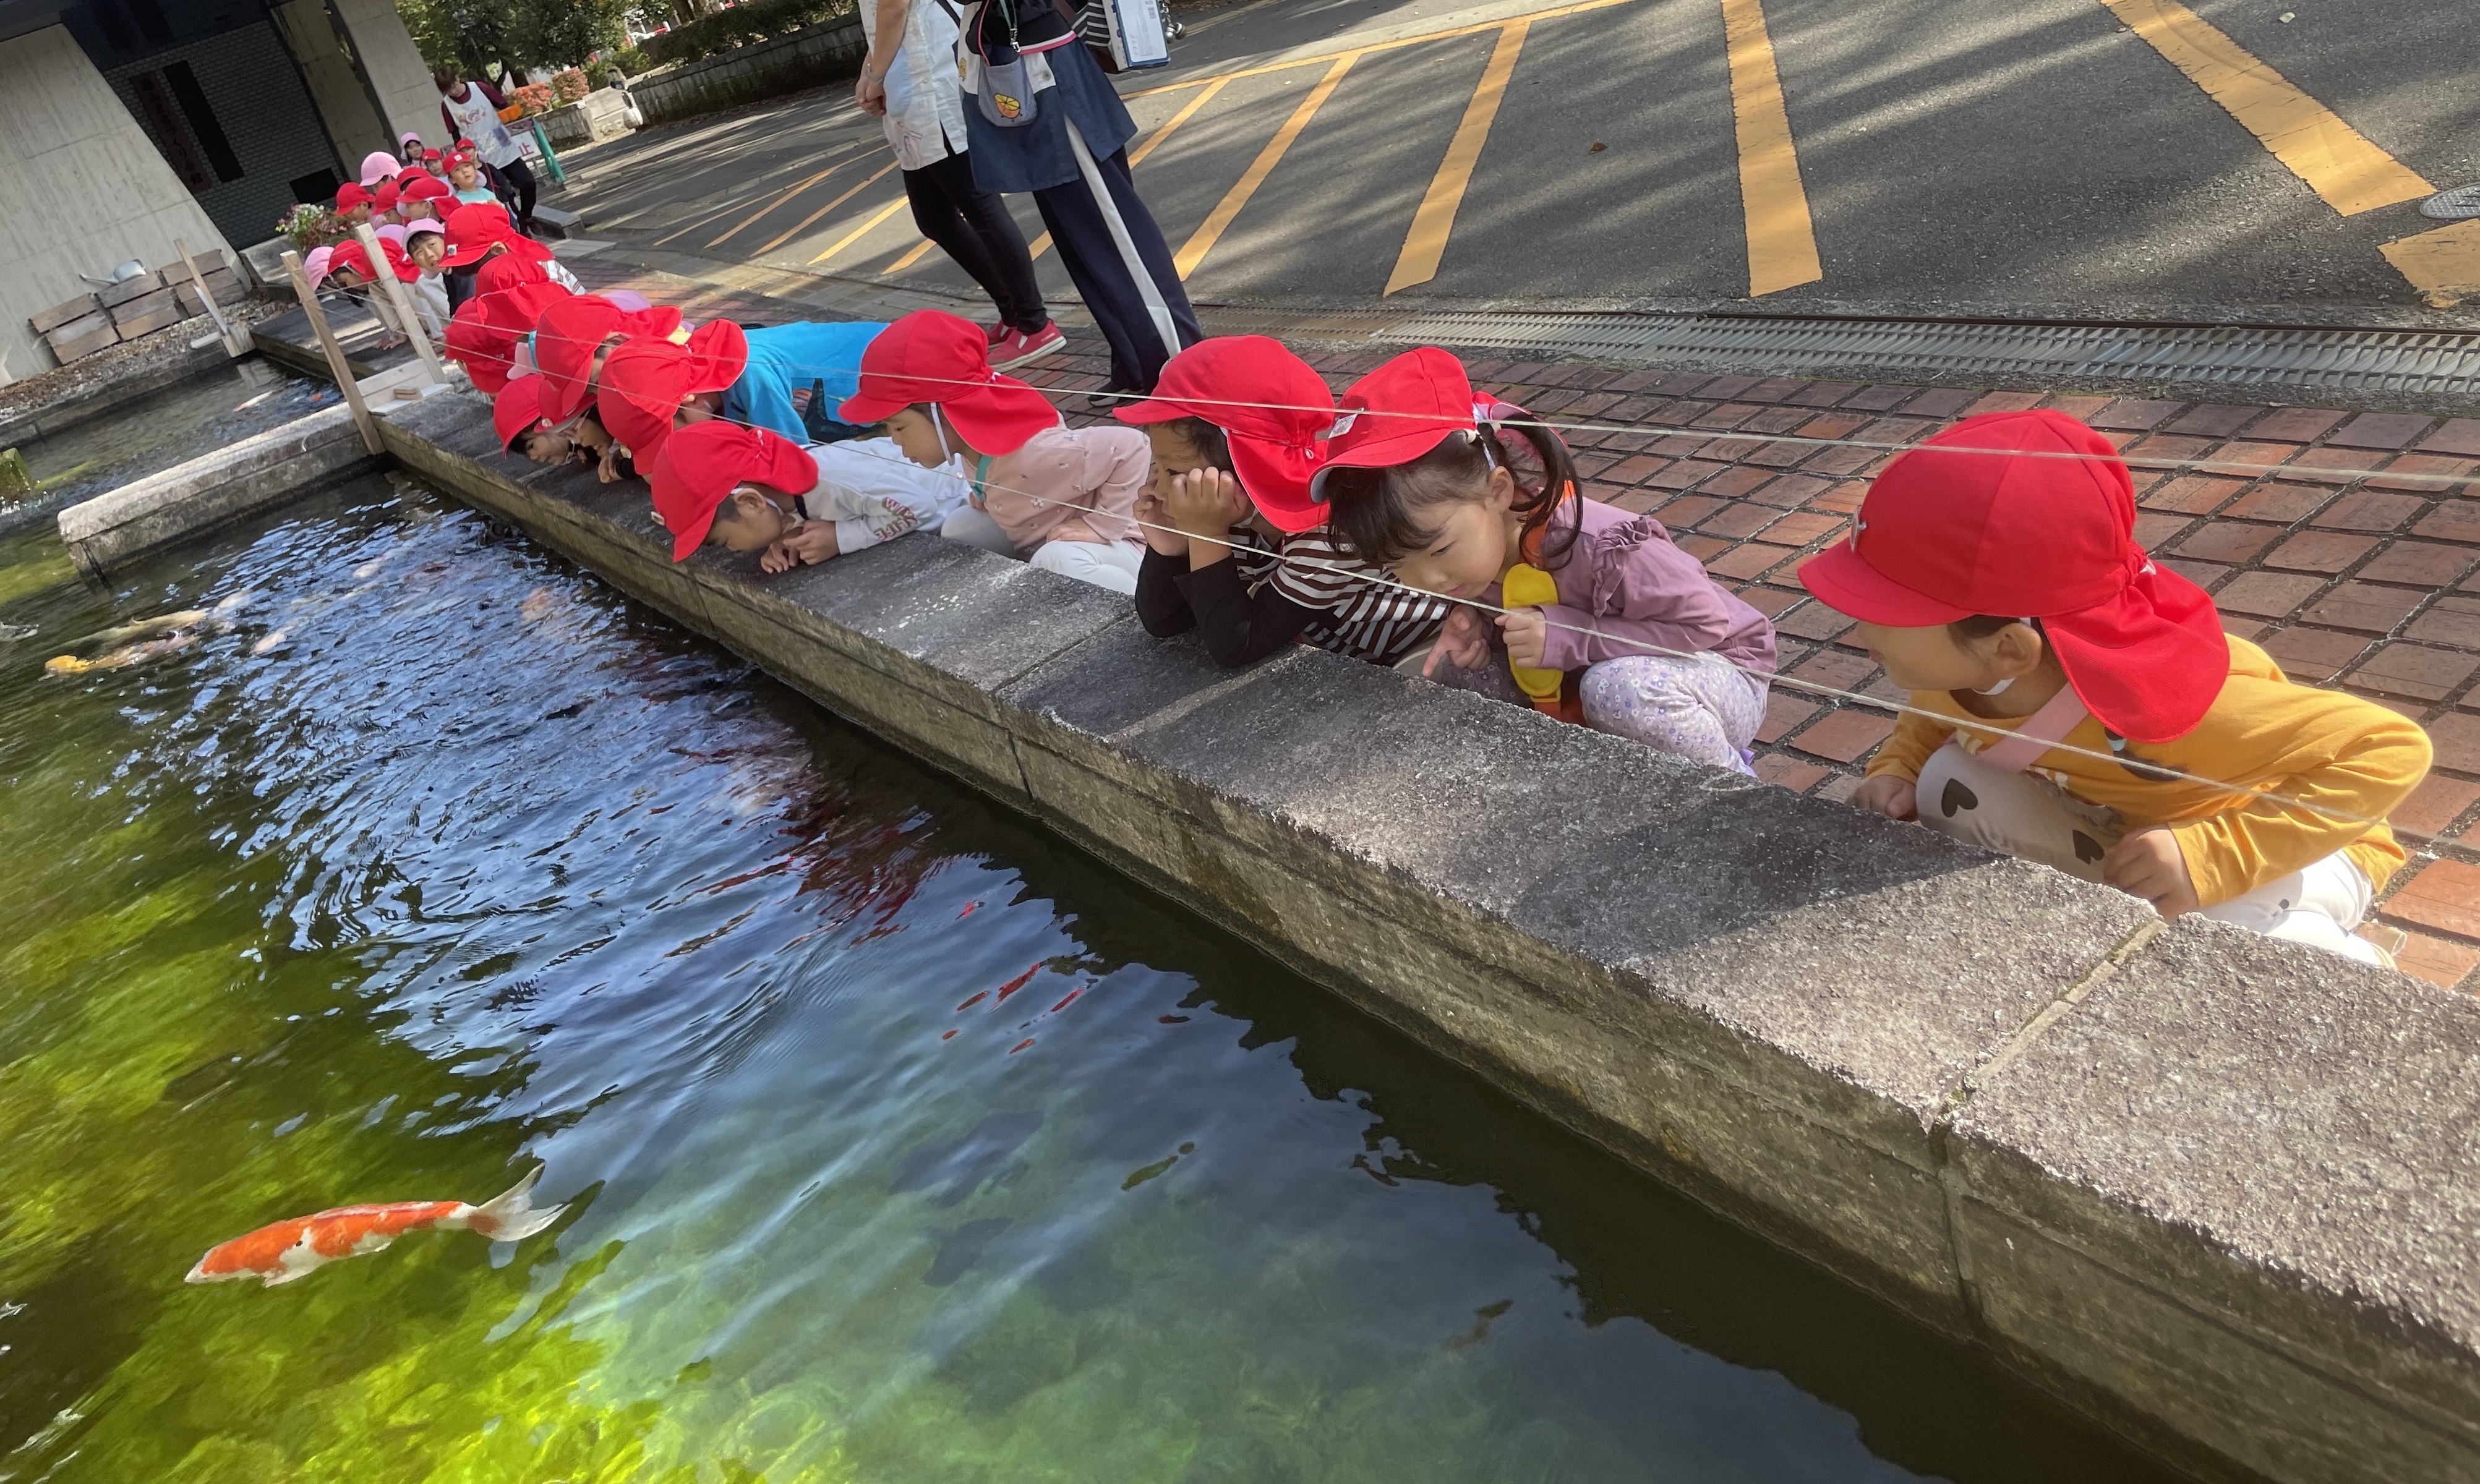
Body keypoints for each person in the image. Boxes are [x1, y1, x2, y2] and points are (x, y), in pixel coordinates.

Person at [1800, 409, 2430, 965]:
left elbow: (2388, 749)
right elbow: (1930, 712)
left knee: (2213, 949)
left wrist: (2210, 855)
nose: (1858, 625)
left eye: (1886, 612)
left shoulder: (2180, 707)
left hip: (2293, 852)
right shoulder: (1966, 670)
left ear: (2009, 650)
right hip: (2128, 841)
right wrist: (1898, 769)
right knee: (1944, 782)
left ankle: (2347, 961)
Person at [1319, 348, 1777, 774]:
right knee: (1458, 676)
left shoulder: (1602, 545)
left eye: (1439, 550)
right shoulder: (1477, 558)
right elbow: (1524, 634)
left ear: (1498, 492)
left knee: (1620, 691)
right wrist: (1478, 630)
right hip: (1598, 671)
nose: (1427, 580)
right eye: (1398, 565)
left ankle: (1735, 793)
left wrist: (1567, 636)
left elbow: (1705, 626)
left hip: (1718, 671)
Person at [1120, 336, 1448, 667]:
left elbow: (1236, 646)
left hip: (1422, 647)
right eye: (1157, 466)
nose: (1158, 489)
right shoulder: (1232, 515)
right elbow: (1165, 624)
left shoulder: (1329, 534)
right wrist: (1170, 549)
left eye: (1173, 470)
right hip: (1342, 649)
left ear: (1247, 468)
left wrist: (1206, 536)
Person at [951, 0, 1197, 399]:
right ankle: (1139, 364)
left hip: (1043, 69)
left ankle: (1181, 375)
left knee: (1114, 237)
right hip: (1028, 64)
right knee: (1087, 239)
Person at [838, 310, 1147, 592]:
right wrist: (987, 494)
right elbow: (1001, 477)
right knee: (960, 527)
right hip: (1047, 534)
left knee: (1058, 560)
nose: (894, 440)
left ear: (941, 413)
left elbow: (1132, 446)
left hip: (1125, 549)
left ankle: (1135, 609)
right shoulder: (974, 446)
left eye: (899, 427)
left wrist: (1102, 526)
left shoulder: (1035, 452)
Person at [855, 0, 1060, 369]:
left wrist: (875, 77)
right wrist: (869, 71)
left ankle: (1035, 323)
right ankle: (1013, 312)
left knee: (981, 206)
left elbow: (894, 8)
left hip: (930, 83)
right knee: (934, 217)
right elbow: (881, 19)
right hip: (913, 87)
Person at [650, 420, 972, 572]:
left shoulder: (836, 479)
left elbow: (921, 507)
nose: (732, 550)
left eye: (724, 541)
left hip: (961, 494)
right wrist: (786, 532)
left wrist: (840, 538)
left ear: (751, 502)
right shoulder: (784, 479)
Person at [435, 67, 539, 233]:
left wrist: (512, 114)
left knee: (528, 183)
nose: (452, 91)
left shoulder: (479, 88)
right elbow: (456, 136)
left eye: (453, 85)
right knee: (502, 196)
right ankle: (517, 230)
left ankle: (526, 216)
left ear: (458, 78)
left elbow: (503, 105)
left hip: (503, 147)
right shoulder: (446, 105)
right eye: (447, 89)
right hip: (480, 158)